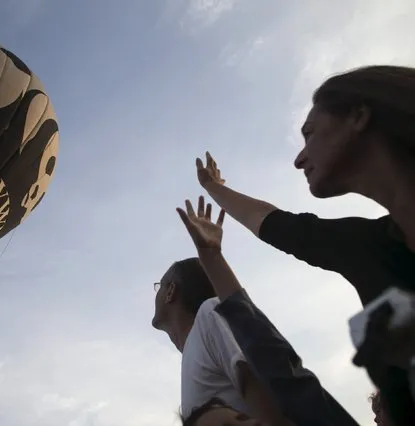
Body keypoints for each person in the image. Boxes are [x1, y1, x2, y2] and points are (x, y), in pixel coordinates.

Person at [193, 65, 415, 426]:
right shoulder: (366, 246)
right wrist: (213, 189)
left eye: (309, 134)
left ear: (358, 116)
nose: (299, 158)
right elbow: (272, 222)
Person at [175, 195, 359, 426]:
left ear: (171, 291)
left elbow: (270, 359)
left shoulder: (210, 315)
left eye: (240, 418)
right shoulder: (192, 355)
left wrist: (212, 257)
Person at [151, 256, 289, 424]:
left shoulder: (210, 314)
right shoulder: (193, 349)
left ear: (171, 291)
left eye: (158, 286)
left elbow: (256, 378)